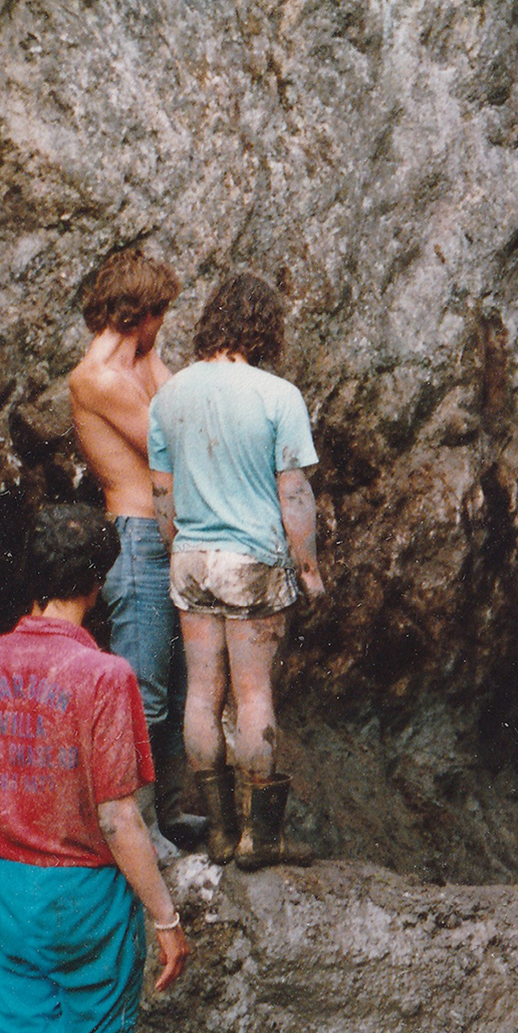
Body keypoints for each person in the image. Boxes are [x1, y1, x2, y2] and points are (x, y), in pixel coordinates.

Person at [0, 504, 191, 1033]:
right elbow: (118, 818)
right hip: (89, 903)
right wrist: (166, 917)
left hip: (9, 895)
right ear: (98, 583)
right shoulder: (106, 677)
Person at [149, 272, 324, 871]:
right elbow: (294, 493)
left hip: (191, 560)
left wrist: (181, 549)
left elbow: (161, 494)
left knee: (201, 694)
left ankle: (220, 835)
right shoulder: (277, 396)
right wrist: (308, 567)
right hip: (251, 562)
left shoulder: (168, 397)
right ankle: (260, 840)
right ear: (263, 327)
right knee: (252, 695)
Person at [69, 247, 203, 857]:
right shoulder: (98, 377)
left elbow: (185, 403)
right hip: (137, 539)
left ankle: (174, 813)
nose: (162, 328)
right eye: (160, 315)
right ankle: (134, 825)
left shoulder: (140, 360)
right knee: (141, 690)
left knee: (176, 689)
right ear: (140, 313)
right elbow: (172, 440)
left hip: (167, 536)